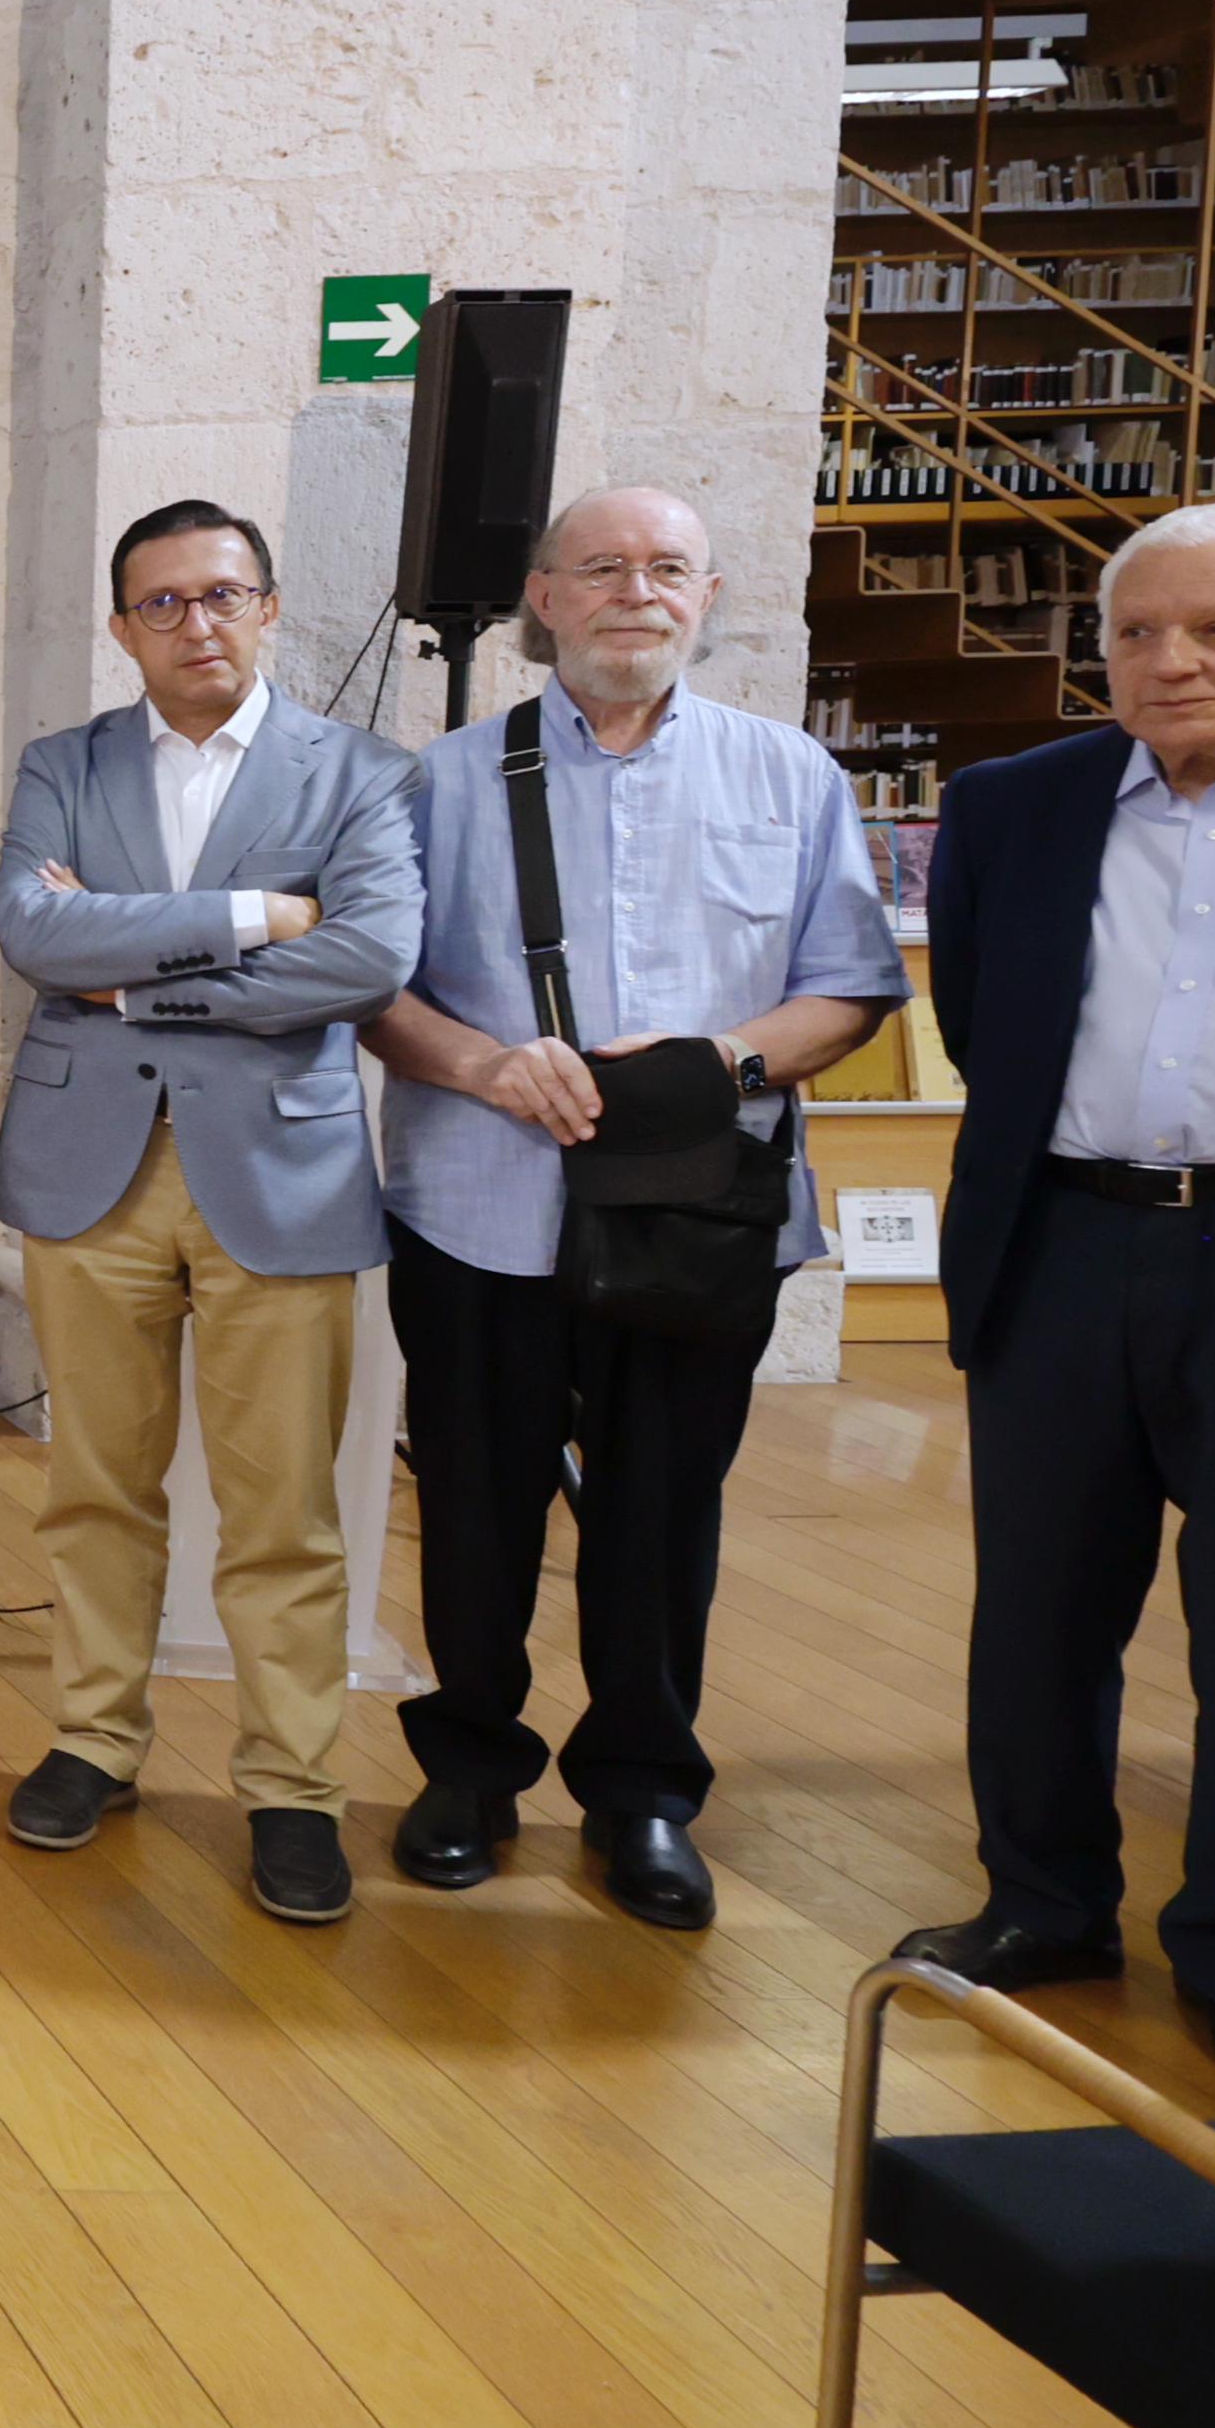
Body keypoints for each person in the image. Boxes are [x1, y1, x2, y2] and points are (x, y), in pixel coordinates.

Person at [894, 501, 1215, 2106]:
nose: (1167, 661)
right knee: (1041, 1614)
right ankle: (1043, 1904)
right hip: (1065, 1245)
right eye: (1134, 632)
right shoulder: (1015, 803)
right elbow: (984, 1022)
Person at [365, 488, 900, 1930]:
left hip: (694, 1212)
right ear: (542, 599)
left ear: (707, 597)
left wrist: (717, 1063)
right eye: (600, 567)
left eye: (668, 568)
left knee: (664, 1515)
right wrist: (484, 1065)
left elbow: (850, 988)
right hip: (480, 1204)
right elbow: (373, 990)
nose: (635, 591)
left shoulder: (790, 775)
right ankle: (468, 1765)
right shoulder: (440, 782)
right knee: (473, 1505)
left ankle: (643, 1790)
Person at [0, 500, 418, 1926]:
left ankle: (291, 1786)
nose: (196, 624)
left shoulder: (359, 772)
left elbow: (367, 957)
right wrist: (256, 916)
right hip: (88, 1170)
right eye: (161, 603)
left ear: (269, 607)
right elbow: (35, 933)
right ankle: (94, 1739)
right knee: (94, 1487)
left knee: (281, 1506)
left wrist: (138, 979)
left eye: (222, 594)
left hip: (278, 1175)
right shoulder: (63, 765)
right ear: (122, 628)